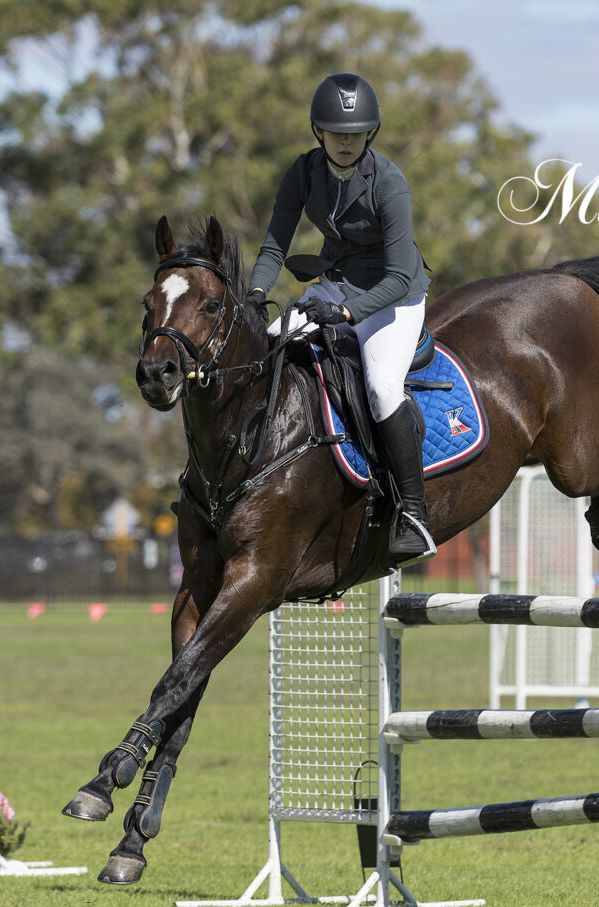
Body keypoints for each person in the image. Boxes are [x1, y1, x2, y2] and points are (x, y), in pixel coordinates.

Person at [247, 72, 435, 565]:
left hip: (392, 296)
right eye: (336, 132)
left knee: (381, 387)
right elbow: (274, 244)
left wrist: (347, 312)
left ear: (369, 133)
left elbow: (397, 277)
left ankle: (413, 511)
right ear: (318, 132)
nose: (346, 141)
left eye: (355, 132)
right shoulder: (303, 172)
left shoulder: (391, 185)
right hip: (336, 282)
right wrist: (255, 293)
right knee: (264, 351)